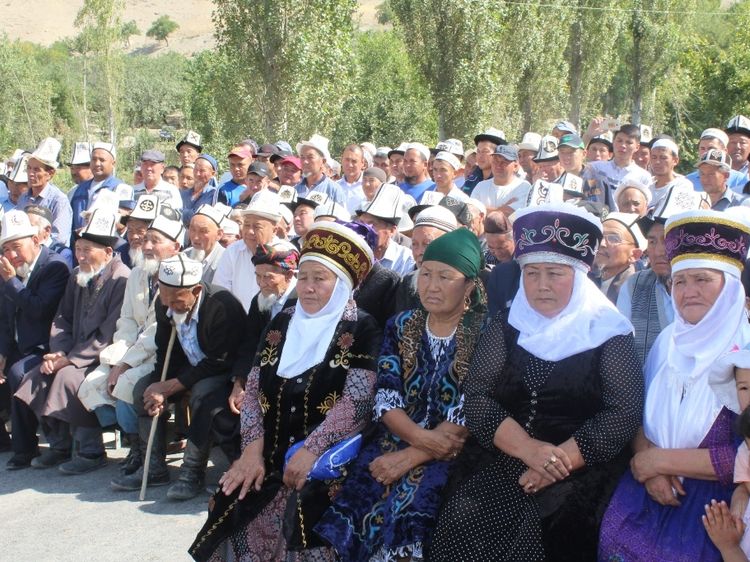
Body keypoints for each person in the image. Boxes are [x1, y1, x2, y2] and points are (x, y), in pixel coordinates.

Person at [430, 202, 643, 561]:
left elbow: (622, 413)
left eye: (555, 273)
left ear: (578, 276)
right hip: (506, 451)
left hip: (581, 462)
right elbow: (478, 396)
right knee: (463, 520)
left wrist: (554, 463)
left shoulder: (609, 333)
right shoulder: (507, 323)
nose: (541, 285)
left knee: (561, 528)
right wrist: (529, 450)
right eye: (531, 273)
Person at [189, 221, 382, 562]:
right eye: (303, 277)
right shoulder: (282, 321)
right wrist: (251, 452)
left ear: (342, 283)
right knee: (231, 497)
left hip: (328, 459)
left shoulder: (361, 327)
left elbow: (357, 402)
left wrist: (311, 451)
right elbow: (253, 391)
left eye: (320, 278)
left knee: (308, 514)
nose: (308, 287)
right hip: (269, 452)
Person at [316, 227, 487, 561]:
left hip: (456, 449)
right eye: (426, 273)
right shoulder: (401, 324)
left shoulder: (485, 331)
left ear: (469, 285)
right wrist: (416, 442)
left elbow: (468, 409)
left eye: (445, 277)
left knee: (416, 506)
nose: (432, 285)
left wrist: (411, 456)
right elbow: (387, 395)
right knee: (358, 494)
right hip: (396, 435)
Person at [599, 208, 750, 561]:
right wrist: (648, 465)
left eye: (702, 279)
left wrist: (658, 461)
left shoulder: (745, 349)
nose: (688, 291)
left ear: (730, 287)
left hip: (716, 508)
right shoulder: (668, 340)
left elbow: (743, 455)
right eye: (679, 281)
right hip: (647, 488)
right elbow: (636, 412)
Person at [111, 254, 247, 499]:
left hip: (220, 371)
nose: (169, 306)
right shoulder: (165, 304)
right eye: (165, 298)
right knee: (143, 389)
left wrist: (172, 386)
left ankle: (192, 471)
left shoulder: (222, 306)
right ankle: (153, 467)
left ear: (196, 290)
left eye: (176, 300)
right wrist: (158, 387)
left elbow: (220, 360)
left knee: (202, 395)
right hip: (189, 367)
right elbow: (166, 351)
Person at [14, 208, 130, 474]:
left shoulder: (121, 278)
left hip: (102, 357)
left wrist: (70, 360)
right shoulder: (78, 274)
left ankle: (91, 451)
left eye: (87, 250)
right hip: (70, 353)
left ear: (108, 252)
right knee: (35, 377)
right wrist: (58, 352)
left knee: (68, 378)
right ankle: (60, 446)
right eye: (78, 249)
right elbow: (62, 318)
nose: (81, 256)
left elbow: (109, 334)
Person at [76, 212, 183, 476]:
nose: (147, 246)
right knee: (92, 383)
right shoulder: (137, 274)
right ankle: (134, 443)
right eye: (146, 240)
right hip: (132, 351)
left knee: (127, 385)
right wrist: (118, 358)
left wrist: (124, 364)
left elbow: (158, 330)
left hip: (164, 354)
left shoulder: (180, 276)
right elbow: (127, 320)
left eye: (155, 241)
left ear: (175, 246)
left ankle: (146, 454)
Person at [0, 210, 71, 469]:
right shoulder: (10, 272)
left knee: (18, 373)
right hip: (18, 344)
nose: (12, 255)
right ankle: (6, 441)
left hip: (47, 345)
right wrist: (1, 351)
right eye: (6, 249)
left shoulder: (54, 266)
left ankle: (27, 449)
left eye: (17, 247)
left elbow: (40, 308)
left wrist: (11, 282)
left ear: (35, 240)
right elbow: (4, 317)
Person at [226, 241, 300, 435]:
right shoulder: (259, 300)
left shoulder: (302, 302)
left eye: (268, 277)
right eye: (257, 276)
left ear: (289, 275)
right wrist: (240, 382)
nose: (261, 283)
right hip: (261, 377)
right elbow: (250, 344)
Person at [214, 189, 281, 311]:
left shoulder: (284, 253)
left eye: (257, 227)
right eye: (246, 225)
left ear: (274, 230)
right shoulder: (233, 251)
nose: (250, 231)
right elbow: (220, 292)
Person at [68, 143, 131, 245]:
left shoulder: (122, 189)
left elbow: (124, 223)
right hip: (78, 246)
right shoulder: (79, 189)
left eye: (102, 160)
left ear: (113, 163)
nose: (97, 163)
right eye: (94, 159)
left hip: (106, 246)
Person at [17, 137, 73, 248]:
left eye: (36, 169)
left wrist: (34, 248)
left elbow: (59, 238)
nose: (31, 173)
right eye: (29, 168)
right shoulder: (23, 198)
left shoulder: (59, 200)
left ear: (50, 174)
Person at [583, 124, 652, 210]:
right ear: (613, 141)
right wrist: (588, 135)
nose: (623, 145)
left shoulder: (644, 176)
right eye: (619, 140)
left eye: (629, 142)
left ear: (637, 147)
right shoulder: (595, 168)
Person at [356, 183, 415, 276]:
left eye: (372, 224)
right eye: (361, 223)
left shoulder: (405, 260)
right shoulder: (350, 250)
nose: (365, 229)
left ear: (392, 230)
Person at [595, 212, 647, 302]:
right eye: (600, 236)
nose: (602, 243)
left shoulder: (636, 294)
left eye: (613, 239)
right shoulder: (584, 276)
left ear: (634, 255)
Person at [470, 145, 531, 214]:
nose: (498, 165)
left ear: (515, 166)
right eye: (495, 161)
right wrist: (500, 209)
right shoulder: (481, 186)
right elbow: (471, 211)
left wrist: (481, 209)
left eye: (504, 162)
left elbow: (511, 213)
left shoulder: (523, 186)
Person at [686, 128, 748, 193]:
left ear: (724, 151)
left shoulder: (739, 180)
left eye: (711, 149)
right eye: (702, 148)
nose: (706, 152)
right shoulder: (688, 181)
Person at [294, 134, 346, 205]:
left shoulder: (334, 190)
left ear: (323, 161)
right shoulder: (295, 189)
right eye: (302, 157)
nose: (305, 161)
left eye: (310, 157)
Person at [185, 204, 226, 285]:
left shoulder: (226, 261)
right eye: (192, 229)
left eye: (203, 231)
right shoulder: (185, 255)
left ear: (219, 234)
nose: (196, 237)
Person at [649, 138, 693, 209]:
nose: (657, 162)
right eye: (654, 157)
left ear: (675, 160)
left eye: (663, 158)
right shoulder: (647, 184)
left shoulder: (682, 185)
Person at [462, 128, 506, 195]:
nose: (480, 156)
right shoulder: (472, 178)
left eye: (485, 151)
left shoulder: (504, 181)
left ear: (498, 154)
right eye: (478, 151)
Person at [180, 154, 218, 226]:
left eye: (202, 171)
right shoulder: (183, 193)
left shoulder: (213, 194)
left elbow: (197, 216)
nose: (197, 174)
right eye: (195, 169)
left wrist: (179, 213)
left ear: (213, 174)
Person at [337, 144, 366, 215]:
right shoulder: (335, 186)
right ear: (341, 160)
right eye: (347, 160)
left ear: (362, 163)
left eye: (354, 161)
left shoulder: (369, 186)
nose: (350, 165)